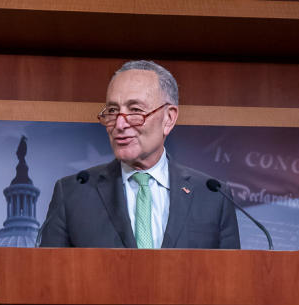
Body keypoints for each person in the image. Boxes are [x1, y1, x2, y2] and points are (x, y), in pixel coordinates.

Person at [36, 60, 240, 249]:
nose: (119, 124)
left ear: (168, 119)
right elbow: (49, 278)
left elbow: (230, 280)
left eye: (135, 110)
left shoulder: (213, 196)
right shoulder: (73, 194)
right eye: (113, 110)